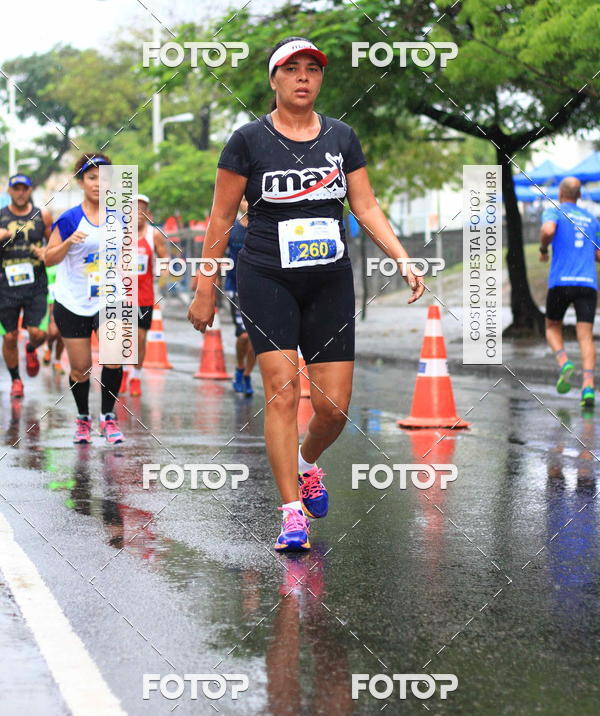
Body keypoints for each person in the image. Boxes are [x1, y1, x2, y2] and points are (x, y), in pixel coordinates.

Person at [187, 36, 425, 552]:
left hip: (329, 278)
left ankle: (305, 464)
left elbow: (365, 206)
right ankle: (291, 512)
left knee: (334, 407)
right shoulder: (247, 141)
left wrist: (402, 258)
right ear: (273, 80)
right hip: (266, 276)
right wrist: (205, 286)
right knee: (282, 391)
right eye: (290, 69)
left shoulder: (342, 137)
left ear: (320, 80)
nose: (302, 77)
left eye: (311, 70)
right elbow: (221, 217)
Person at [45, 153, 125, 444]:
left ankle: (108, 416)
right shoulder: (68, 219)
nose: (98, 183)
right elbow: (48, 259)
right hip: (73, 301)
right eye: (92, 177)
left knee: (114, 358)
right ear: (81, 181)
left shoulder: (121, 216)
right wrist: (68, 242)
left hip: (110, 298)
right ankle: (83, 418)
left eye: (104, 178)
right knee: (80, 367)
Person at [540, 176, 600, 407]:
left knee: (552, 326)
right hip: (587, 283)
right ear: (579, 195)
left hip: (561, 282)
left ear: (560, 194)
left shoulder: (554, 210)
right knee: (585, 336)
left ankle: (564, 361)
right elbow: (598, 254)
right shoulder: (593, 220)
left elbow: (547, 229)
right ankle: (588, 387)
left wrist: (543, 248)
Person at [0, 174, 53, 398]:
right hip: (6, 286)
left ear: (30, 191)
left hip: (36, 284)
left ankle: (31, 348)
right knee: (10, 337)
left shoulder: (43, 215)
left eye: (25, 189)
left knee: (39, 333)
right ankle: (16, 381)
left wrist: (46, 253)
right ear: (10, 191)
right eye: (16, 189)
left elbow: (55, 245)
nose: (20, 192)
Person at [120, 194, 168, 396]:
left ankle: (136, 377)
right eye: (134, 210)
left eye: (142, 210)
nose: (138, 214)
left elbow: (165, 257)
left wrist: (164, 274)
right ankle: (122, 373)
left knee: (139, 337)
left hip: (145, 295)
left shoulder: (153, 235)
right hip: (121, 296)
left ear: (147, 214)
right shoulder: (119, 235)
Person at [225, 201, 256, 397]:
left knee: (255, 338)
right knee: (243, 336)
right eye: (244, 199)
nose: (248, 203)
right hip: (235, 288)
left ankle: (246, 374)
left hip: (260, 289)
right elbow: (218, 253)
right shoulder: (232, 228)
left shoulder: (263, 226)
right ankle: (238, 367)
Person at [42, 263, 65, 373]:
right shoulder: (47, 259)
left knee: (63, 335)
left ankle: (57, 361)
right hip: (50, 299)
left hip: (68, 299)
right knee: (53, 332)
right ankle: (48, 346)